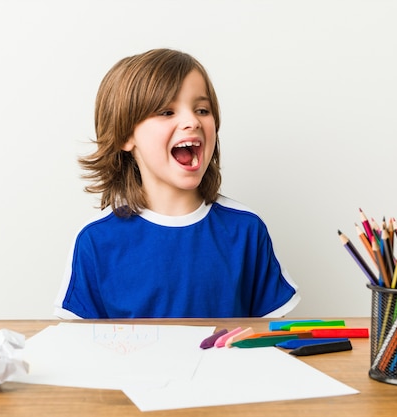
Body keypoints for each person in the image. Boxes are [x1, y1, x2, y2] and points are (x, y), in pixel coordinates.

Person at [54, 48, 300, 319]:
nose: (192, 121)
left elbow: (269, 340)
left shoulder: (246, 229)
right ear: (126, 135)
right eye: (167, 111)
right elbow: (80, 347)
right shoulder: (95, 240)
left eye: (202, 110)